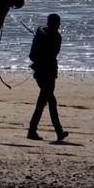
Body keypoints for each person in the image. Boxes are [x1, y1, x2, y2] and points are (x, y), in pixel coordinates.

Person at [27, 13, 69, 142]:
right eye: (55, 23)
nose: (58, 26)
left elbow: (54, 54)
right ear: (49, 23)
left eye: (58, 24)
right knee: (51, 102)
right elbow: (32, 56)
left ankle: (32, 130)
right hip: (41, 74)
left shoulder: (56, 37)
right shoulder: (41, 35)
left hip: (51, 74)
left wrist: (44, 44)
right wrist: (40, 45)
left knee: (43, 102)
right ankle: (58, 131)